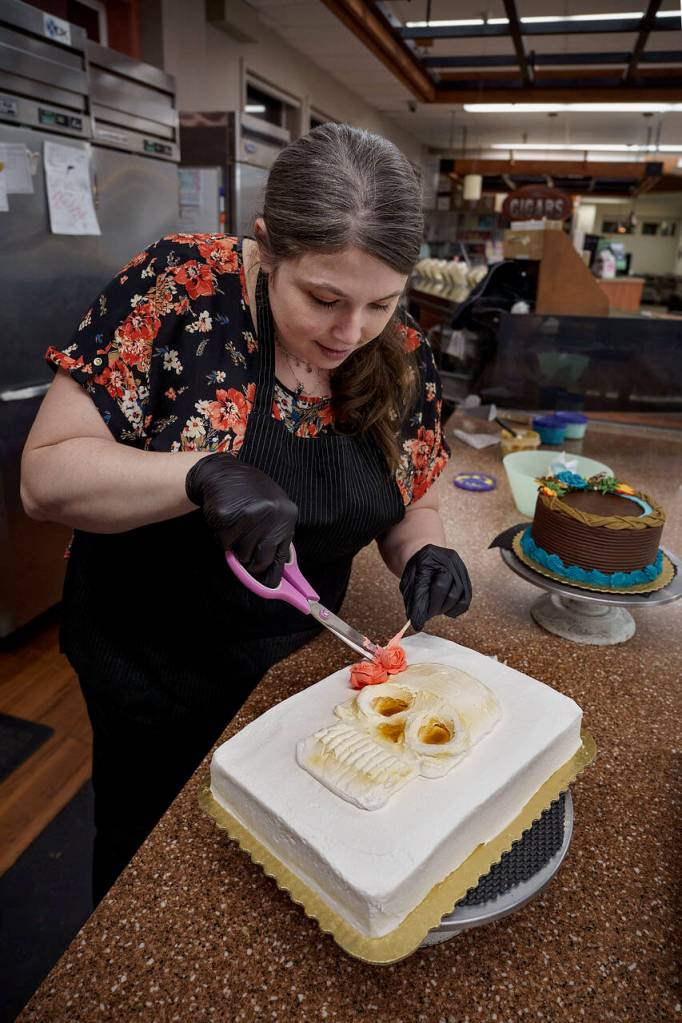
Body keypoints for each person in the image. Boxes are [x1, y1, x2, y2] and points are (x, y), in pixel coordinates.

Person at [21, 123, 472, 904]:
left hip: (299, 673)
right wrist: (197, 472)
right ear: (266, 248)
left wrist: (424, 549)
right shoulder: (176, 288)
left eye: (380, 303)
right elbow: (44, 475)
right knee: (151, 871)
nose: (350, 333)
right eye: (324, 298)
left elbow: (413, 492)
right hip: (153, 665)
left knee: (274, 873)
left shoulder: (396, 344)